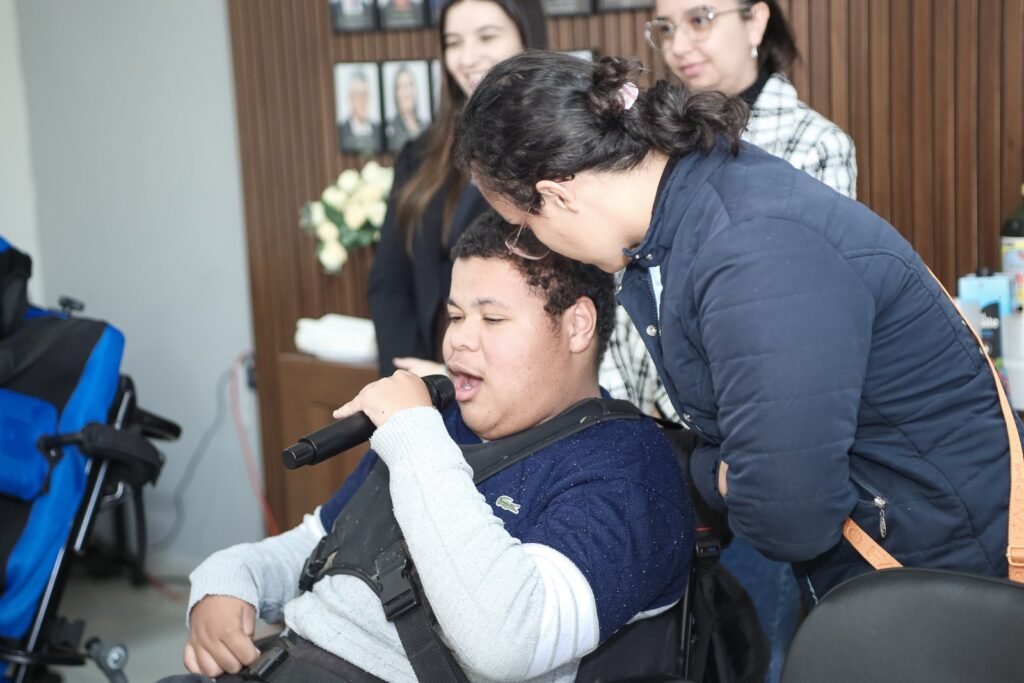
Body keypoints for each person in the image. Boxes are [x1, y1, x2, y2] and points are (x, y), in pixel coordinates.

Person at [456, 51, 1017, 609]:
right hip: (901, 559)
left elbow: (788, 516)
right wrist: (728, 468)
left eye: (523, 227)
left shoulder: (749, 253)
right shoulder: (700, 197)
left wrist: (712, 469)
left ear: (557, 195)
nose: (536, 243)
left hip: (951, 579)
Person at [164, 211, 692, 683]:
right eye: (456, 316)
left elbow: (508, 643)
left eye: (492, 318)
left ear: (577, 326)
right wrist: (228, 580)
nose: (458, 340)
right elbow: (319, 546)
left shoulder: (626, 465)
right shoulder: (437, 423)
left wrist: (415, 436)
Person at [600, 2, 858, 678]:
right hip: (656, 437)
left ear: (756, 21)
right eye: (666, 27)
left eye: (701, 19)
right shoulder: (653, 142)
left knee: (756, 648)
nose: (680, 44)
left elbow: (794, 322)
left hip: (754, 449)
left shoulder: (810, 141)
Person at [368, 0, 547, 378]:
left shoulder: (555, 149)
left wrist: (460, 377)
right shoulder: (420, 155)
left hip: (514, 383)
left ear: (527, 39)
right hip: (419, 379)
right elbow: (390, 282)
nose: (466, 58)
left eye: (487, 37)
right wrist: (411, 380)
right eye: (453, 42)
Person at [384, 66, 429, 153]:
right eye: (402, 86)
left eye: (409, 85)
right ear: (396, 93)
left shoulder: (426, 125)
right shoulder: (389, 128)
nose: (406, 91)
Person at [338, 69, 383, 155]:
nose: (362, 100)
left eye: (365, 94)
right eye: (357, 94)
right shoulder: (341, 130)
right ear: (349, 98)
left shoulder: (378, 129)